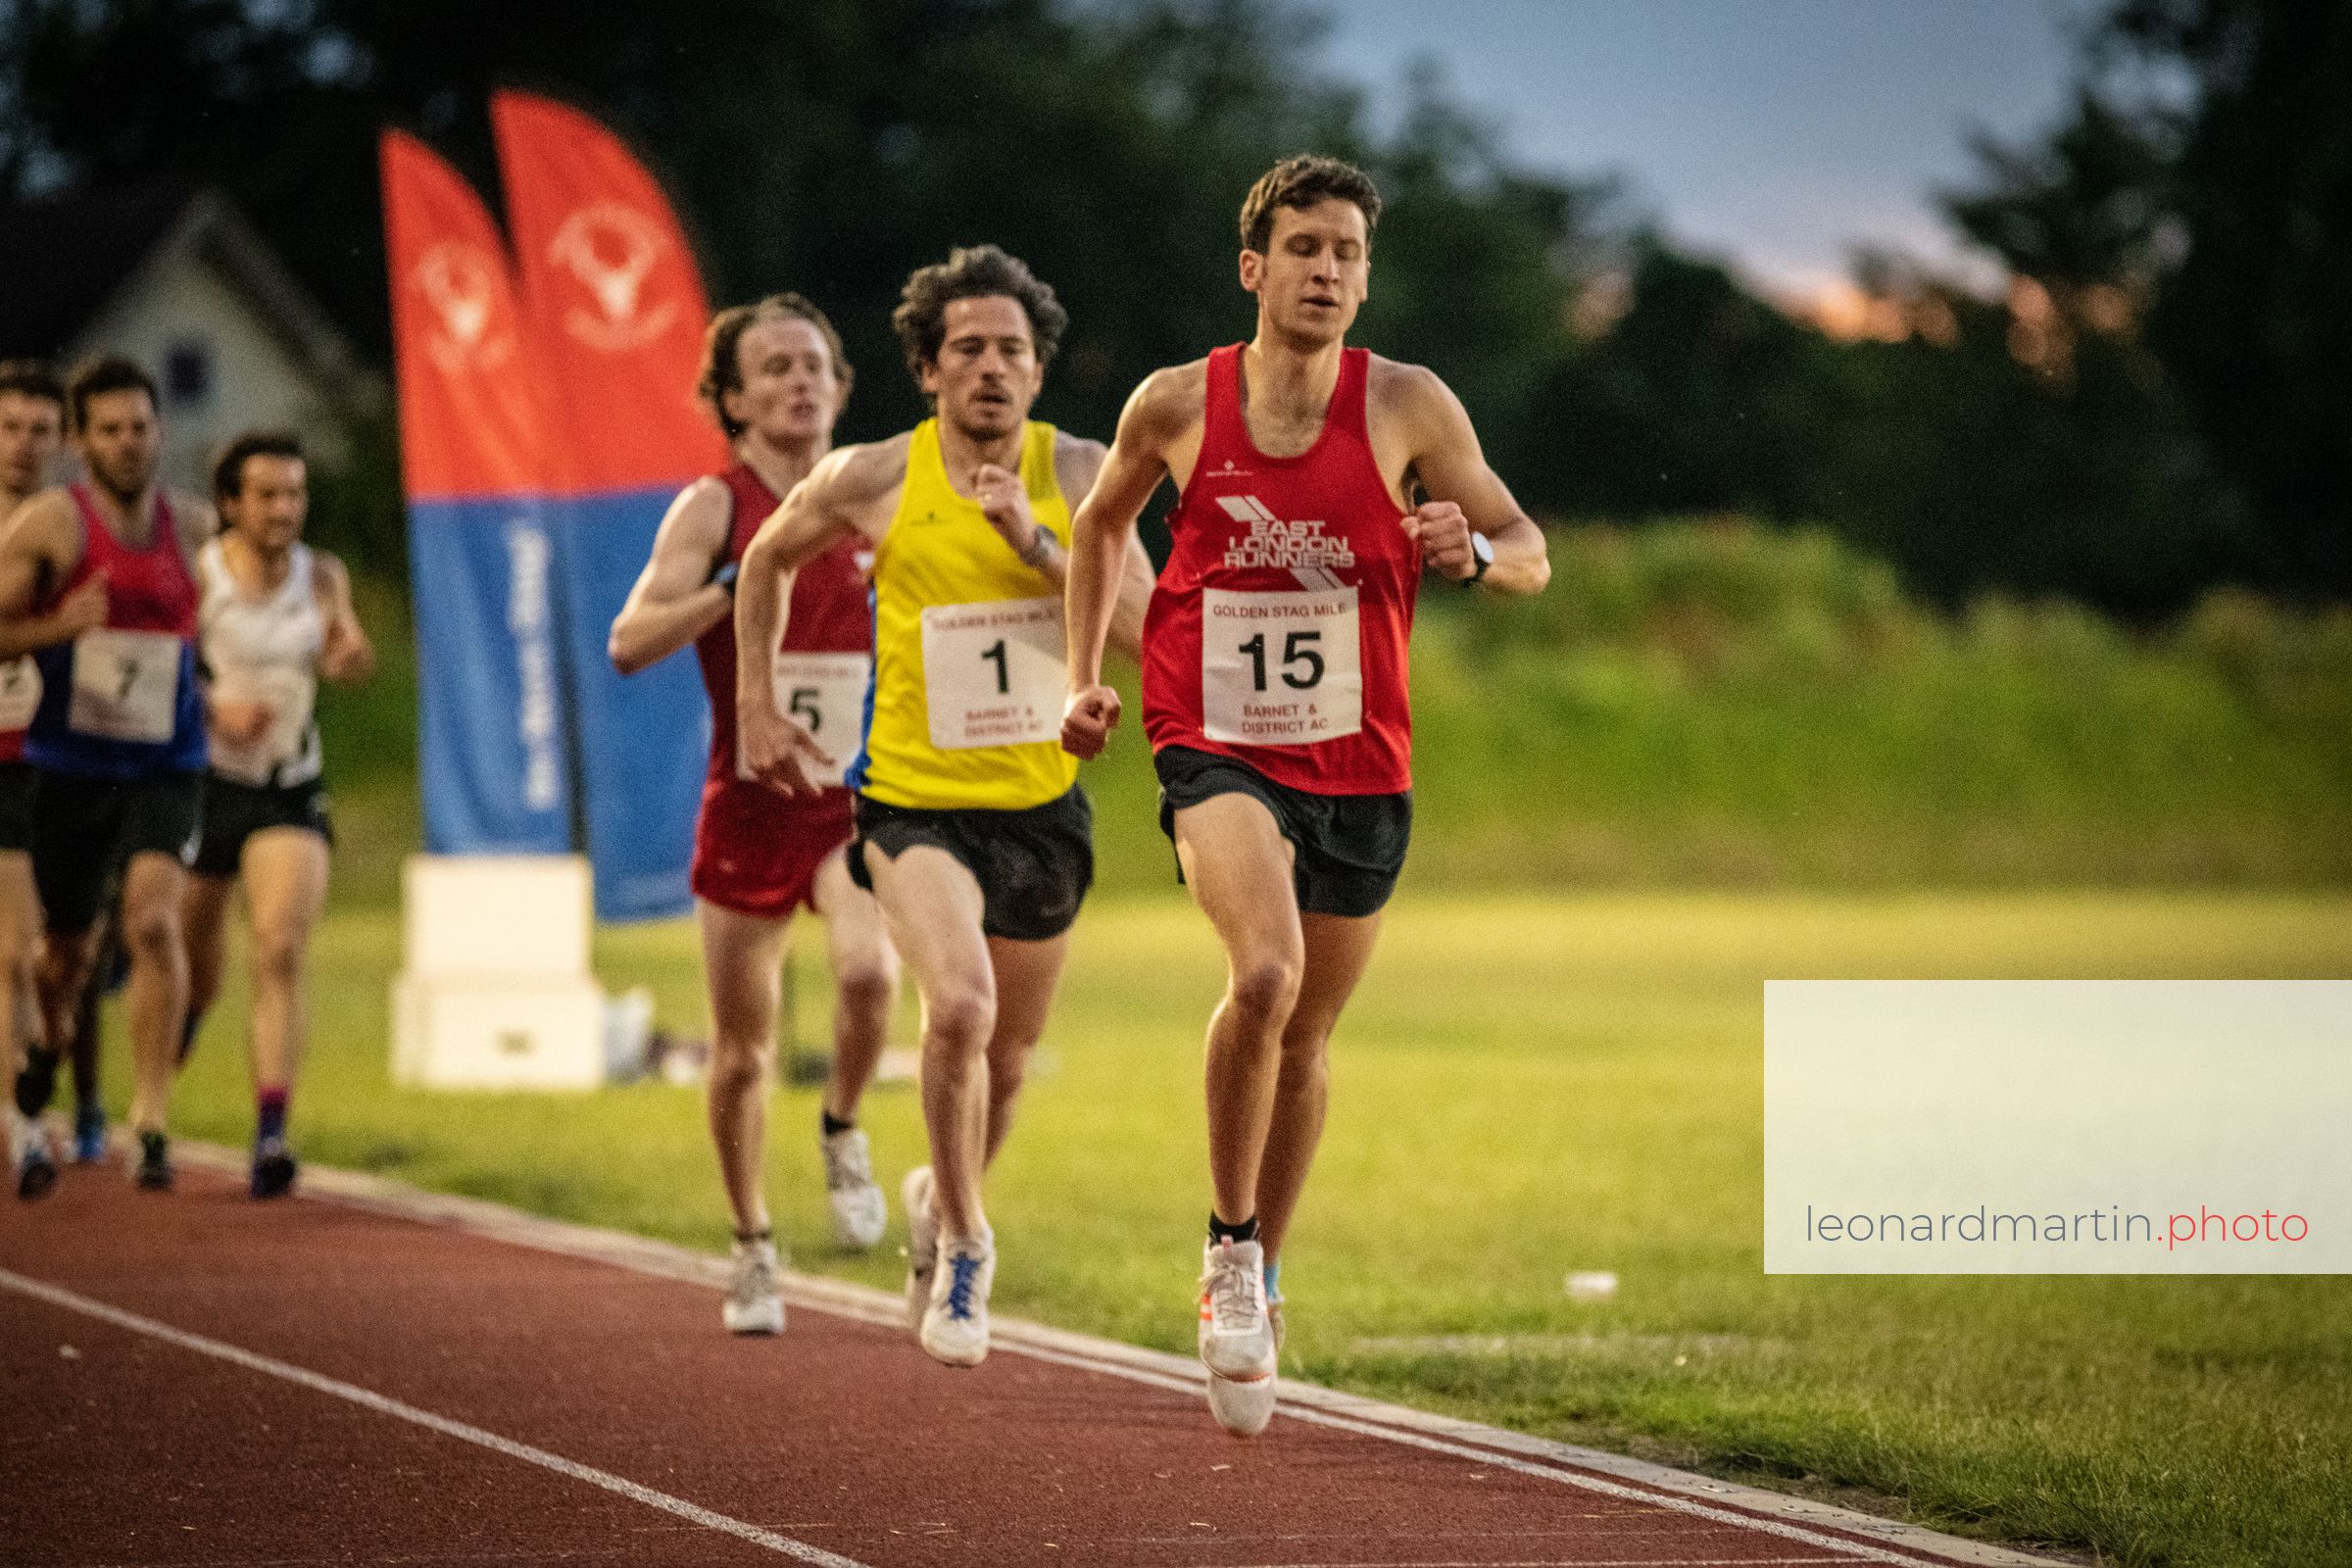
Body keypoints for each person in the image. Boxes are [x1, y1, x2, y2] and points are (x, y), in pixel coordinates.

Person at [1061, 155, 1551, 1434]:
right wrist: (1082, 677)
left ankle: (1267, 1269)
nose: (1327, 270)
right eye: (1304, 247)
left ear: (1365, 278)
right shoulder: (1176, 403)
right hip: (1213, 741)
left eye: (1347, 253)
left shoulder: (1408, 404)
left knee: (1310, 1037)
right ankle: (1227, 1249)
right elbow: (1099, 527)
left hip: (1360, 764)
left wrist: (1472, 551)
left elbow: (1529, 551)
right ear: (1255, 267)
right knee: (1265, 973)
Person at [735, 245, 1153, 1367]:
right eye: (967, 348)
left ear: (1038, 369)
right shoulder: (873, 476)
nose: (991, 367)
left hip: (1040, 806)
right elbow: (765, 563)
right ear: (927, 368)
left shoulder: (1084, 472)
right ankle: (968, 1240)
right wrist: (757, 706)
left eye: (1012, 350)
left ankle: (938, 1195)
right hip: (911, 804)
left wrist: (1036, 543)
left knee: (1007, 1060)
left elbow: (1147, 628)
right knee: (958, 1008)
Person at [609, 295, 901, 1337]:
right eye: (774, 367)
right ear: (733, 400)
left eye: (814, 364)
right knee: (742, 1050)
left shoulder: (874, 494)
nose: (799, 381)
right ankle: (751, 1244)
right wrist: (732, 589)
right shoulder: (714, 507)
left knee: (870, 974)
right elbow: (629, 640)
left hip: (854, 799)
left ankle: (843, 1125)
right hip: (748, 801)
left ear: (841, 385)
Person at [0, 356, 215, 1193]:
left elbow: (243, 615)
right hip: (70, 765)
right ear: (82, 443)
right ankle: (47, 1051)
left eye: (140, 427)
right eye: (110, 430)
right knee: (61, 958)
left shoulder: (193, 527)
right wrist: (60, 627)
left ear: (160, 432)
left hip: (166, 762)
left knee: (152, 922)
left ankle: (150, 1121)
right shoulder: (54, 525)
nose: (128, 443)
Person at [178, 431, 372, 1199]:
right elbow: (164, 667)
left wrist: (349, 657)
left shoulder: (320, 575)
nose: (284, 509)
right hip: (205, 782)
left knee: (278, 947)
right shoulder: (201, 575)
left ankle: (270, 1132)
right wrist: (213, 710)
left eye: (295, 493)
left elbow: (345, 648)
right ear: (232, 503)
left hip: (288, 783)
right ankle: (180, 1025)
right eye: (267, 495)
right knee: (194, 964)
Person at [0, 361, 66, 1197]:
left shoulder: (72, 533)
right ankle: (25, 1123)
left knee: (33, 954)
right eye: (9, 427)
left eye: (39, 430)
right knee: (15, 951)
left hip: (46, 759)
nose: (21, 445)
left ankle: (30, 1116)